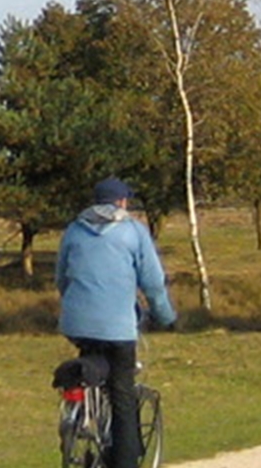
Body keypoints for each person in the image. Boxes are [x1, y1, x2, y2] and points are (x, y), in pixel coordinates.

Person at [58, 177, 177, 466]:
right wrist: (166, 317)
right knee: (122, 394)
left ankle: (80, 421)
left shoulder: (73, 231)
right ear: (122, 202)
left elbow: (62, 279)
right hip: (118, 327)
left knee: (92, 368)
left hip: (76, 324)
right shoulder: (134, 232)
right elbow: (153, 283)